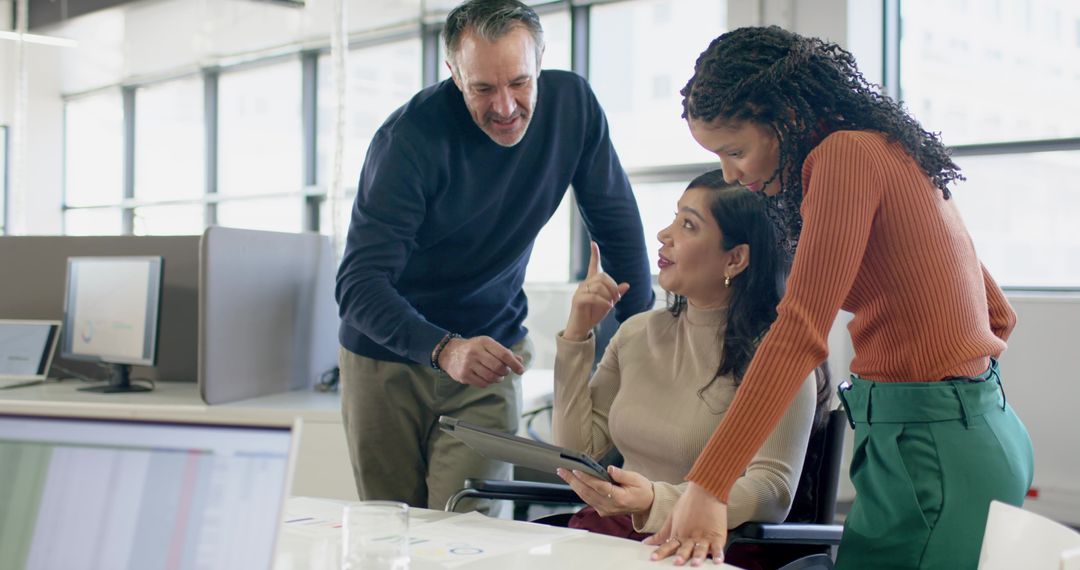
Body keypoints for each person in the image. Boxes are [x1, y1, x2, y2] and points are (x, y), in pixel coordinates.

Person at [647, 26, 1033, 569]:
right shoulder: (884, 147)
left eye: (735, 151)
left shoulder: (843, 157)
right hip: (961, 434)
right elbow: (998, 312)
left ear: (786, 118)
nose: (732, 174)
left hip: (930, 452)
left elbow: (800, 331)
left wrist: (709, 486)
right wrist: (960, 406)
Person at [334, 0, 654, 515]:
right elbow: (358, 286)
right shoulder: (408, 141)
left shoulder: (573, 108)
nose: (505, 106)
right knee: (392, 530)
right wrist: (444, 348)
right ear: (454, 74)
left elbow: (618, 231)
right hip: (387, 358)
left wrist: (641, 346)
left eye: (520, 83)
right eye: (482, 88)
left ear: (541, 59)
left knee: (471, 532)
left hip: (491, 353)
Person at [552, 171, 828, 569]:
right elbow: (579, 454)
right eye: (674, 218)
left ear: (735, 258)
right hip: (609, 536)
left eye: (688, 225)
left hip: (706, 547)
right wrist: (578, 333)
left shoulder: (778, 357)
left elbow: (772, 491)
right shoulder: (636, 333)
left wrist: (655, 501)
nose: (664, 234)